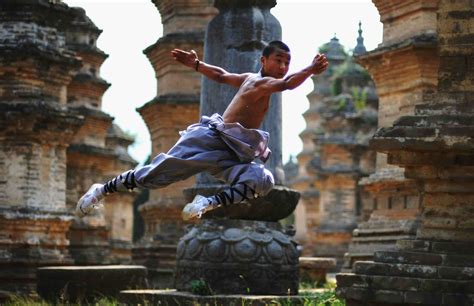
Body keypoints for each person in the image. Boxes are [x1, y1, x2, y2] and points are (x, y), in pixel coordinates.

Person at [76, 40, 328, 220]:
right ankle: (101, 189)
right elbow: (287, 84)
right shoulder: (262, 82)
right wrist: (310, 70)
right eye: (278, 60)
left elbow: (221, 75)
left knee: (262, 180)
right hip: (210, 139)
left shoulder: (252, 79)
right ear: (263, 60)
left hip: (235, 151)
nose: (283, 66)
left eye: (287, 62)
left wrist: (197, 65)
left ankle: (206, 203)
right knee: (155, 176)